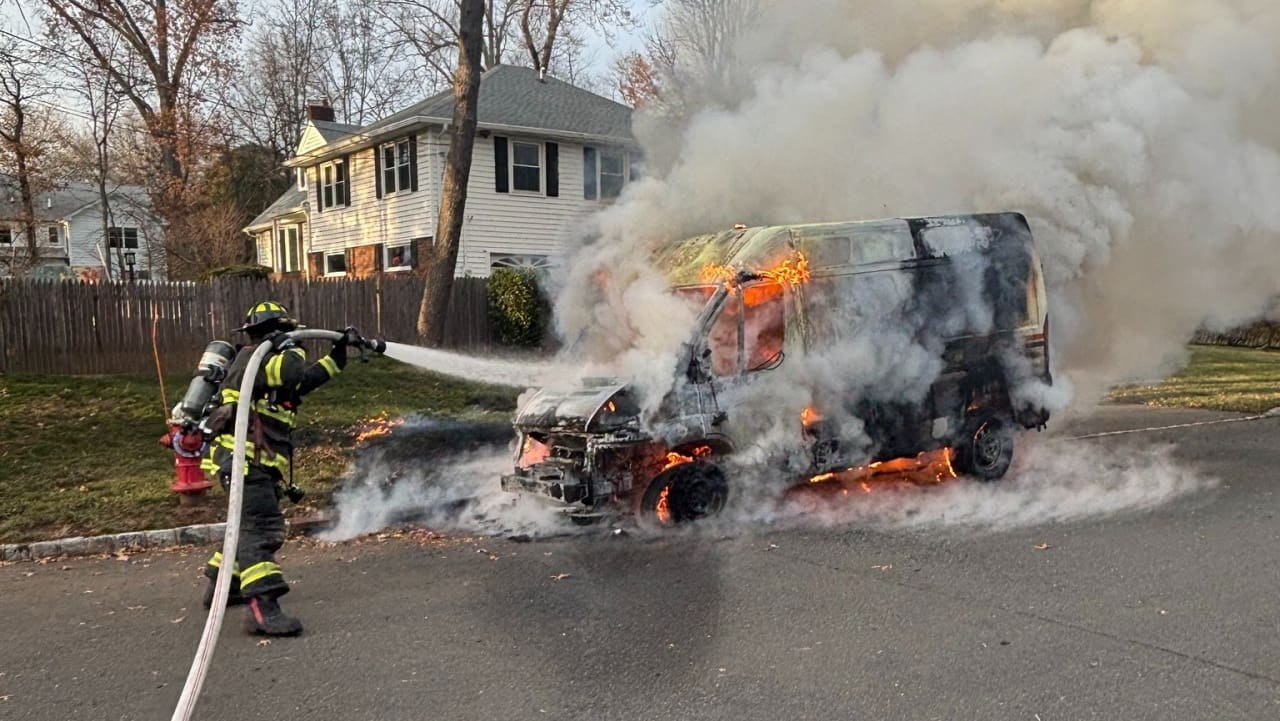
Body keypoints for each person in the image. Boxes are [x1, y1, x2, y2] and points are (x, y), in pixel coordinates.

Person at [199, 301, 355, 636]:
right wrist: (293, 344)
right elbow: (292, 372)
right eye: (287, 333)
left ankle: (220, 588)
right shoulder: (254, 361)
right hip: (244, 463)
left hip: (254, 465)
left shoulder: (270, 367)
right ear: (275, 333)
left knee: (243, 526)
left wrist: (339, 354)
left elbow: (306, 379)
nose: (295, 339)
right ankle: (262, 608)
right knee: (262, 528)